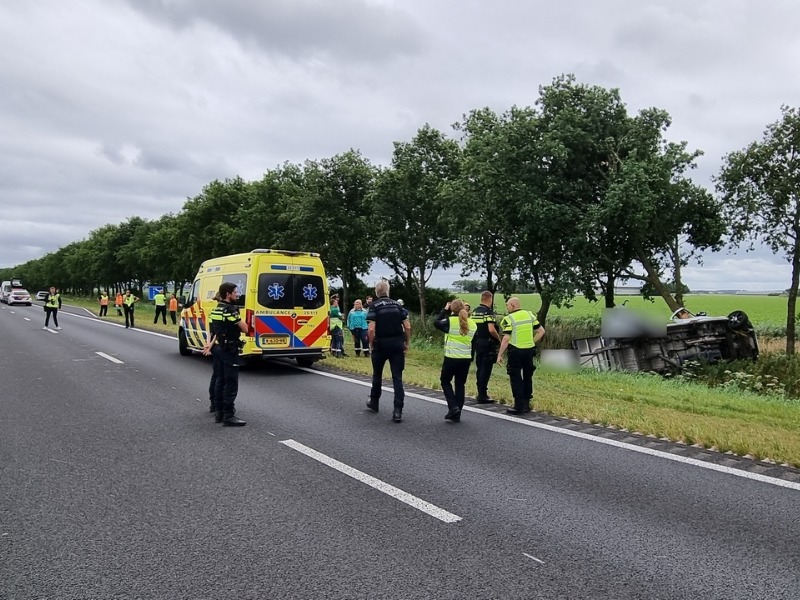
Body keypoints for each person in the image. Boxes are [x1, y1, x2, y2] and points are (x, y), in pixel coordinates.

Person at [203, 282, 248, 426]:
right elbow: (245, 328)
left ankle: (219, 412)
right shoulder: (229, 310)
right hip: (229, 349)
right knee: (231, 382)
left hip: (219, 348)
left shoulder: (216, 310)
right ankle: (229, 415)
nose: (237, 294)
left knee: (220, 380)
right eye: (235, 292)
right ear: (228, 294)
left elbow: (214, 331)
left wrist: (210, 345)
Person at [366, 280, 411, 422]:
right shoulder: (397, 305)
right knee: (397, 377)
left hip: (381, 344)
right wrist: (406, 342)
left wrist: (371, 343)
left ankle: (374, 402)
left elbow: (371, 329)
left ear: (376, 292)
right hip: (397, 344)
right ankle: (398, 410)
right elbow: (407, 326)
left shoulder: (374, 306)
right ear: (388, 291)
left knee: (377, 374)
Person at [496, 297, 546, 415]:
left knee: (516, 377)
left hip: (516, 351)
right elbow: (541, 331)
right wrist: (532, 342)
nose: (507, 307)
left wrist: (500, 354)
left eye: (507, 305)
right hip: (529, 351)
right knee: (528, 376)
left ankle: (519, 406)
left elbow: (506, 338)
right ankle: (527, 404)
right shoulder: (529, 315)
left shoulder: (508, 319)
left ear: (512, 305)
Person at [434, 299, 477, 422]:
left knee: (445, 381)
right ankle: (457, 412)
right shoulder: (473, 324)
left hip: (451, 357)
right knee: (460, 384)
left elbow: (436, 322)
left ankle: (453, 407)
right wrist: (471, 357)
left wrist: (444, 310)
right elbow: (474, 343)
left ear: (452, 308)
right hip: (465, 359)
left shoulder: (450, 321)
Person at [471, 290, 501, 403]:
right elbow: (491, 329)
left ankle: (480, 391)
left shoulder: (474, 312)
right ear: (490, 299)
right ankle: (482, 394)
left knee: (480, 367)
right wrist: (499, 339)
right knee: (486, 369)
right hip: (487, 343)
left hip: (477, 342)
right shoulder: (488, 312)